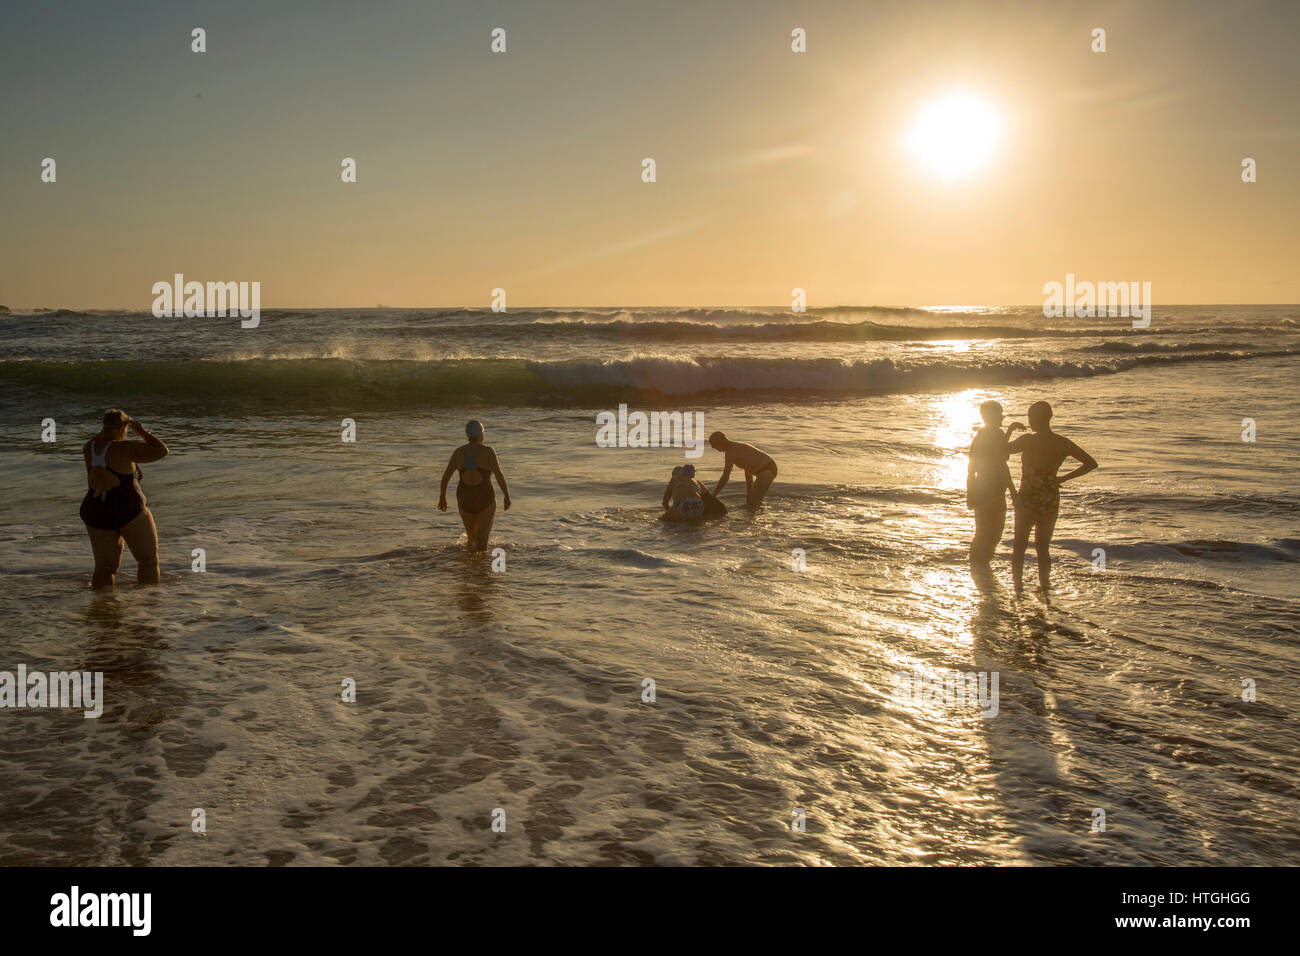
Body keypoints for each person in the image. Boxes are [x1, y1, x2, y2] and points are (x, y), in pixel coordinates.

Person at [1006, 401, 1097, 593]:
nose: (1029, 420)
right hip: (1049, 497)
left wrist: (1010, 429)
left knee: (1019, 545)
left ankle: (1018, 587)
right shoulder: (1062, 443)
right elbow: (1090, 463)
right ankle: (1044, 585)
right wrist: (1063, 478)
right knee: (1042, 547)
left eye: (1030, 416)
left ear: (1036, 418)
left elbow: (1000, 451)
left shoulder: (1028, 440)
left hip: (1027, 499)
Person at [79, 409, 170, 589]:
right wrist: (143, 432)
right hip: (128, 510)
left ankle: (102, 607)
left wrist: (106, 430)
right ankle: (149, 606)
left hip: (96, 512)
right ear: (123, 427)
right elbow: (162, 451)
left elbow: (103, 444)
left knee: (105, 568)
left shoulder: (88, 447)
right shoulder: (124, 448)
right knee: (148, 561)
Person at [438, 420, 511, 552]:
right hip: (485, 498)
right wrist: (506, 495)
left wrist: (442, 497)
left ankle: (470, 569)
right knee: (482, 542)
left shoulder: (458, 452)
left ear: (468, 435)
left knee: (472, 539)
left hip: (465, 499)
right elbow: (499, 475)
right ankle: (480, 571)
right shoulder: (488, 451)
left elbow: (445, 478)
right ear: (481, 435)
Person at [966, 400, 1019, 564]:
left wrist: (971, 492)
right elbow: (1001, 459)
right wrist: (1013, 491)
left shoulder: (988, 434)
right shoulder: (990, 434)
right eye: (1000, 414)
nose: (1002, 418)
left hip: (988, 489)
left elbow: (999, 458)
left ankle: (979, 565)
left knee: (986, 532)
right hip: (989, 491)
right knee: (991, 532)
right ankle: (979, 564)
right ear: (990, 416)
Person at [708, 431, 777, 508]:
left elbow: (725, 476)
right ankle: (754, 517)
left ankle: (757, 518)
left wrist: (713, 496)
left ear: (721, 441)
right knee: (752, 502)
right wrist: (749, 494)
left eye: (713, 444)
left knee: (753, 504)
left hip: (767, 469)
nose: (712, 447)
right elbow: (748, 472)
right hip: (769, 468)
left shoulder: (731, 451)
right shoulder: (735, 448)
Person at [662, 464, 726, 521]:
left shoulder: (674, 479)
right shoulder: (698, 482)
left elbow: (665, 502)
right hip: (698, 505)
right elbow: (710, 499)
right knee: (694, 525)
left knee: (663, 521)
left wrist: (671, 512)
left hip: (682, 506)